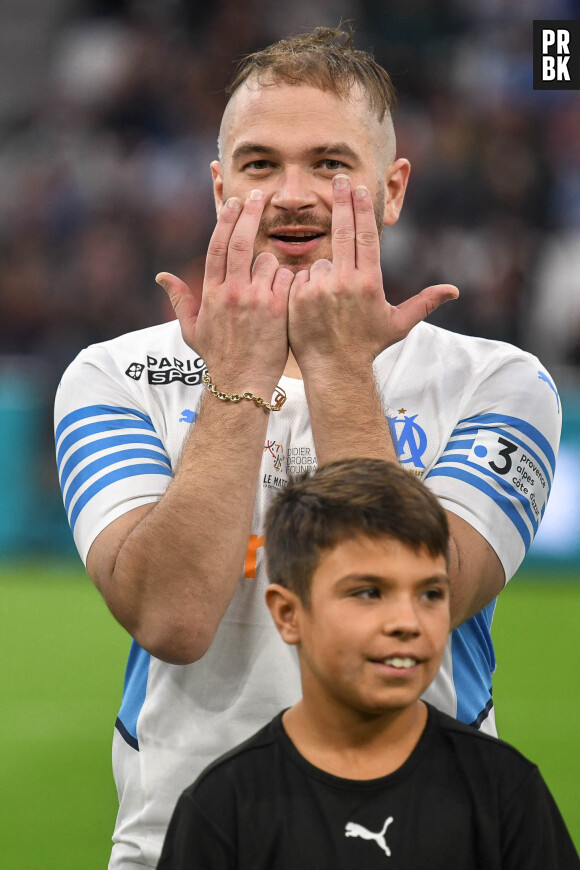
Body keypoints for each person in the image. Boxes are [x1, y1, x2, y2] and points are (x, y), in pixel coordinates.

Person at [53, 27, 561, 870]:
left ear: (391, 190)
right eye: (259, 166)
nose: (293, 195)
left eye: (331, 164)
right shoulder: (115, 374)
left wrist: (333, 365)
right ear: (220, 190)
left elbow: (428, 591)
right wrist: (241, 377)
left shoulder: (500, 384)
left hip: (430, 839)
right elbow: (173, 620)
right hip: (185, 836)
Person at [157, 458, 578, 870]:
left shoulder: (504, 789)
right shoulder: (224, 804)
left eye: (431, 593)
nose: (406, 623)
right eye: (368, 593)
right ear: (288, 614)